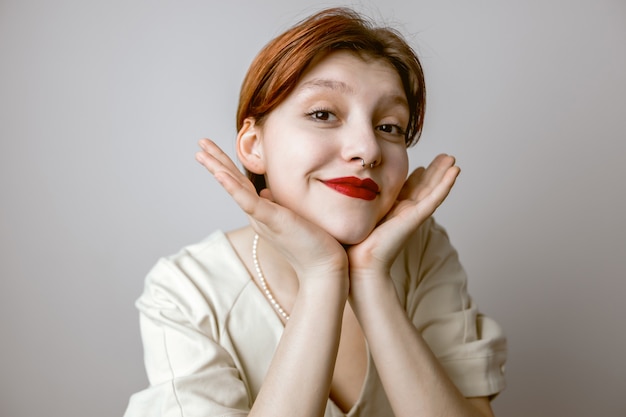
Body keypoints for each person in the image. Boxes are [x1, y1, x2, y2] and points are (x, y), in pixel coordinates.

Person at [124, 7, 507, 417]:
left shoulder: (422, 250)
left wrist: (370, 278)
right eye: (323, 114)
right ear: (255, 146)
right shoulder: (188, 291)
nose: (368, 150)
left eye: (389, 126)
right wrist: (323, 277)